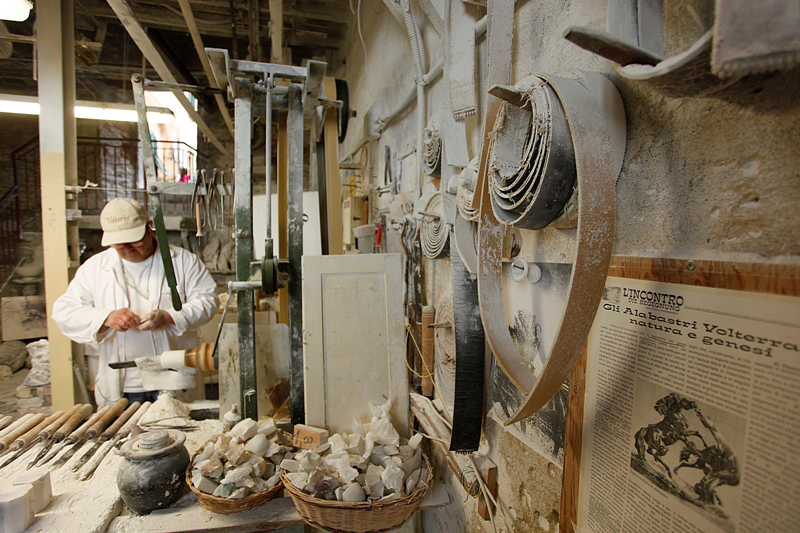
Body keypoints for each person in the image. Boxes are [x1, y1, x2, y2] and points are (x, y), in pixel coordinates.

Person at [53, 198, 219, 407]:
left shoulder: (183, 261)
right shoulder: (95, 268)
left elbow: (208, 300)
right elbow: (64, 311)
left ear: (149, 227)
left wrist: (170, 317)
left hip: (173, 380)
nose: (126, 248)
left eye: (133, 240)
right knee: (123, 428)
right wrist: (107, 318)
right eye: (118, 243)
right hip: (123, 385)